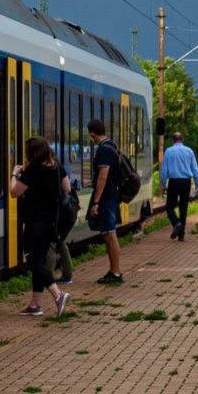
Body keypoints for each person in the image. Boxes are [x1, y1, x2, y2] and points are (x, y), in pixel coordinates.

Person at [10, 136, 73, 316]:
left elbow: (14, 192)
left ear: (32, 153)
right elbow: (67, 188)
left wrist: (14, 174)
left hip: (34, 224)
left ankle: (58, 295)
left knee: (33, 262)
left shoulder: (32, 171)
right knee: (40, 260)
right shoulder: (56, 166)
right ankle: (35, 305)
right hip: (50, 223)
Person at [85, 117, 127, 285]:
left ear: (92, 134)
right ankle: (113, 270)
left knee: (110, 234)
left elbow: (103, 176)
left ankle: (116, 272)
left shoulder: (103, 150)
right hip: (111, 195)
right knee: (108, 233)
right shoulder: (113, 145)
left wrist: (96, 202)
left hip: (106, 198)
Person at [160, 130, 198, 241]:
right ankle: (181, 235)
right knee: (183, 207)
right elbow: (195, 169)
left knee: (169, 207)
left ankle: (176, 223)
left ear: (173, 140)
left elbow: (164, 171)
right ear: (182, 139)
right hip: (186, 182)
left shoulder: (168, 151)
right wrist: (197, 184)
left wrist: (163, 185)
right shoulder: (189, 151)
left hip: (174, 182)